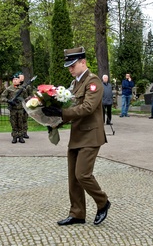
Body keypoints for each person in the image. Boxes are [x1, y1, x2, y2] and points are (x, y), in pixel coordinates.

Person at [42, 47, 110, 226]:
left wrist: (62, 113)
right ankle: (77, 213)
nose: (70, 69)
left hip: (91, 136)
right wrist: (54, 121)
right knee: (73, 177)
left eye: (73, 65)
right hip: (77, 135)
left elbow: (87, 107)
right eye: (68, 66)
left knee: (82, 174)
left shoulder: (93, 81)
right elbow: (72, 109)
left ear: (83, 62)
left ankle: (103, 202)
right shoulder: (75, 84)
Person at [1, 73, 28, 143]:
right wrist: (9, 101)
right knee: (14, 123)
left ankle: (21, 137)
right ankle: (15, 137)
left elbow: (26, 99)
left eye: (16, 79)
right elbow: (2, 97)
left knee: (21, 123)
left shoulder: (23, 89)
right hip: (13, 109)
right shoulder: (9, 89)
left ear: (19, 80)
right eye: (14, 79)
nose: (15, 81)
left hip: (20, 109)